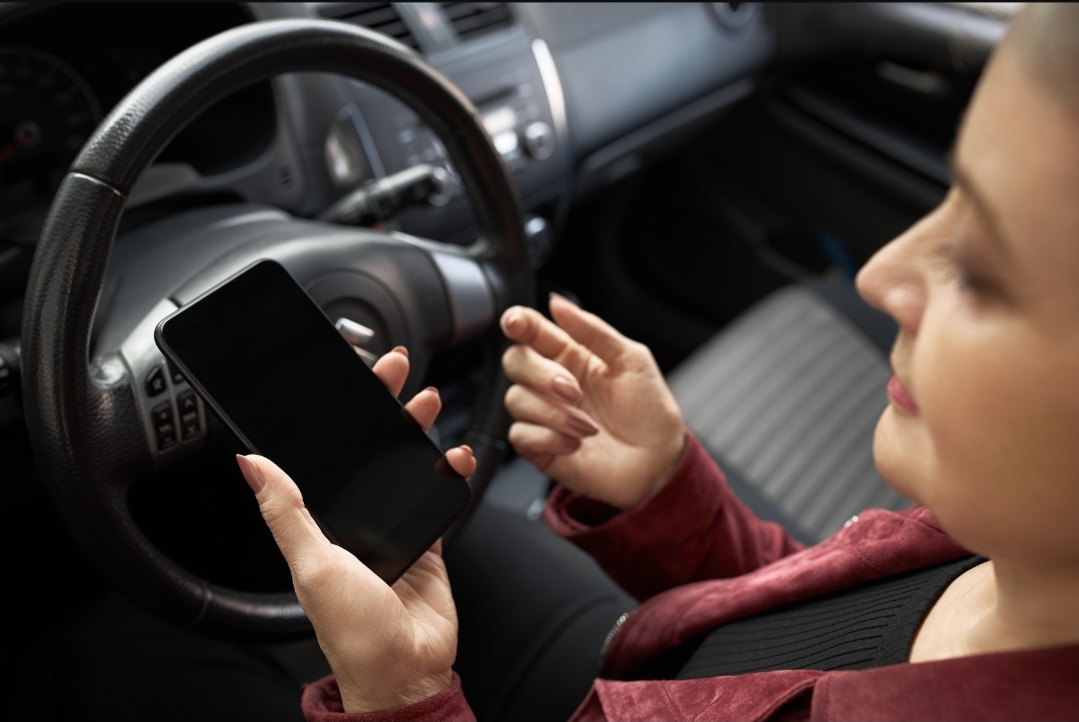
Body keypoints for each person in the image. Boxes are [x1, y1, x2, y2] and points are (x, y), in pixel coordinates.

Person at [234, 4, 1079, 720]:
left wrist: (399, 695)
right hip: (654, 661)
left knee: (132, 649)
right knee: (468, 534)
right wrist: (667, 493)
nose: (878, 273)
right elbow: (830, 618)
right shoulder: (1008, 548)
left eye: (978, 268)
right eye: (947, 201)